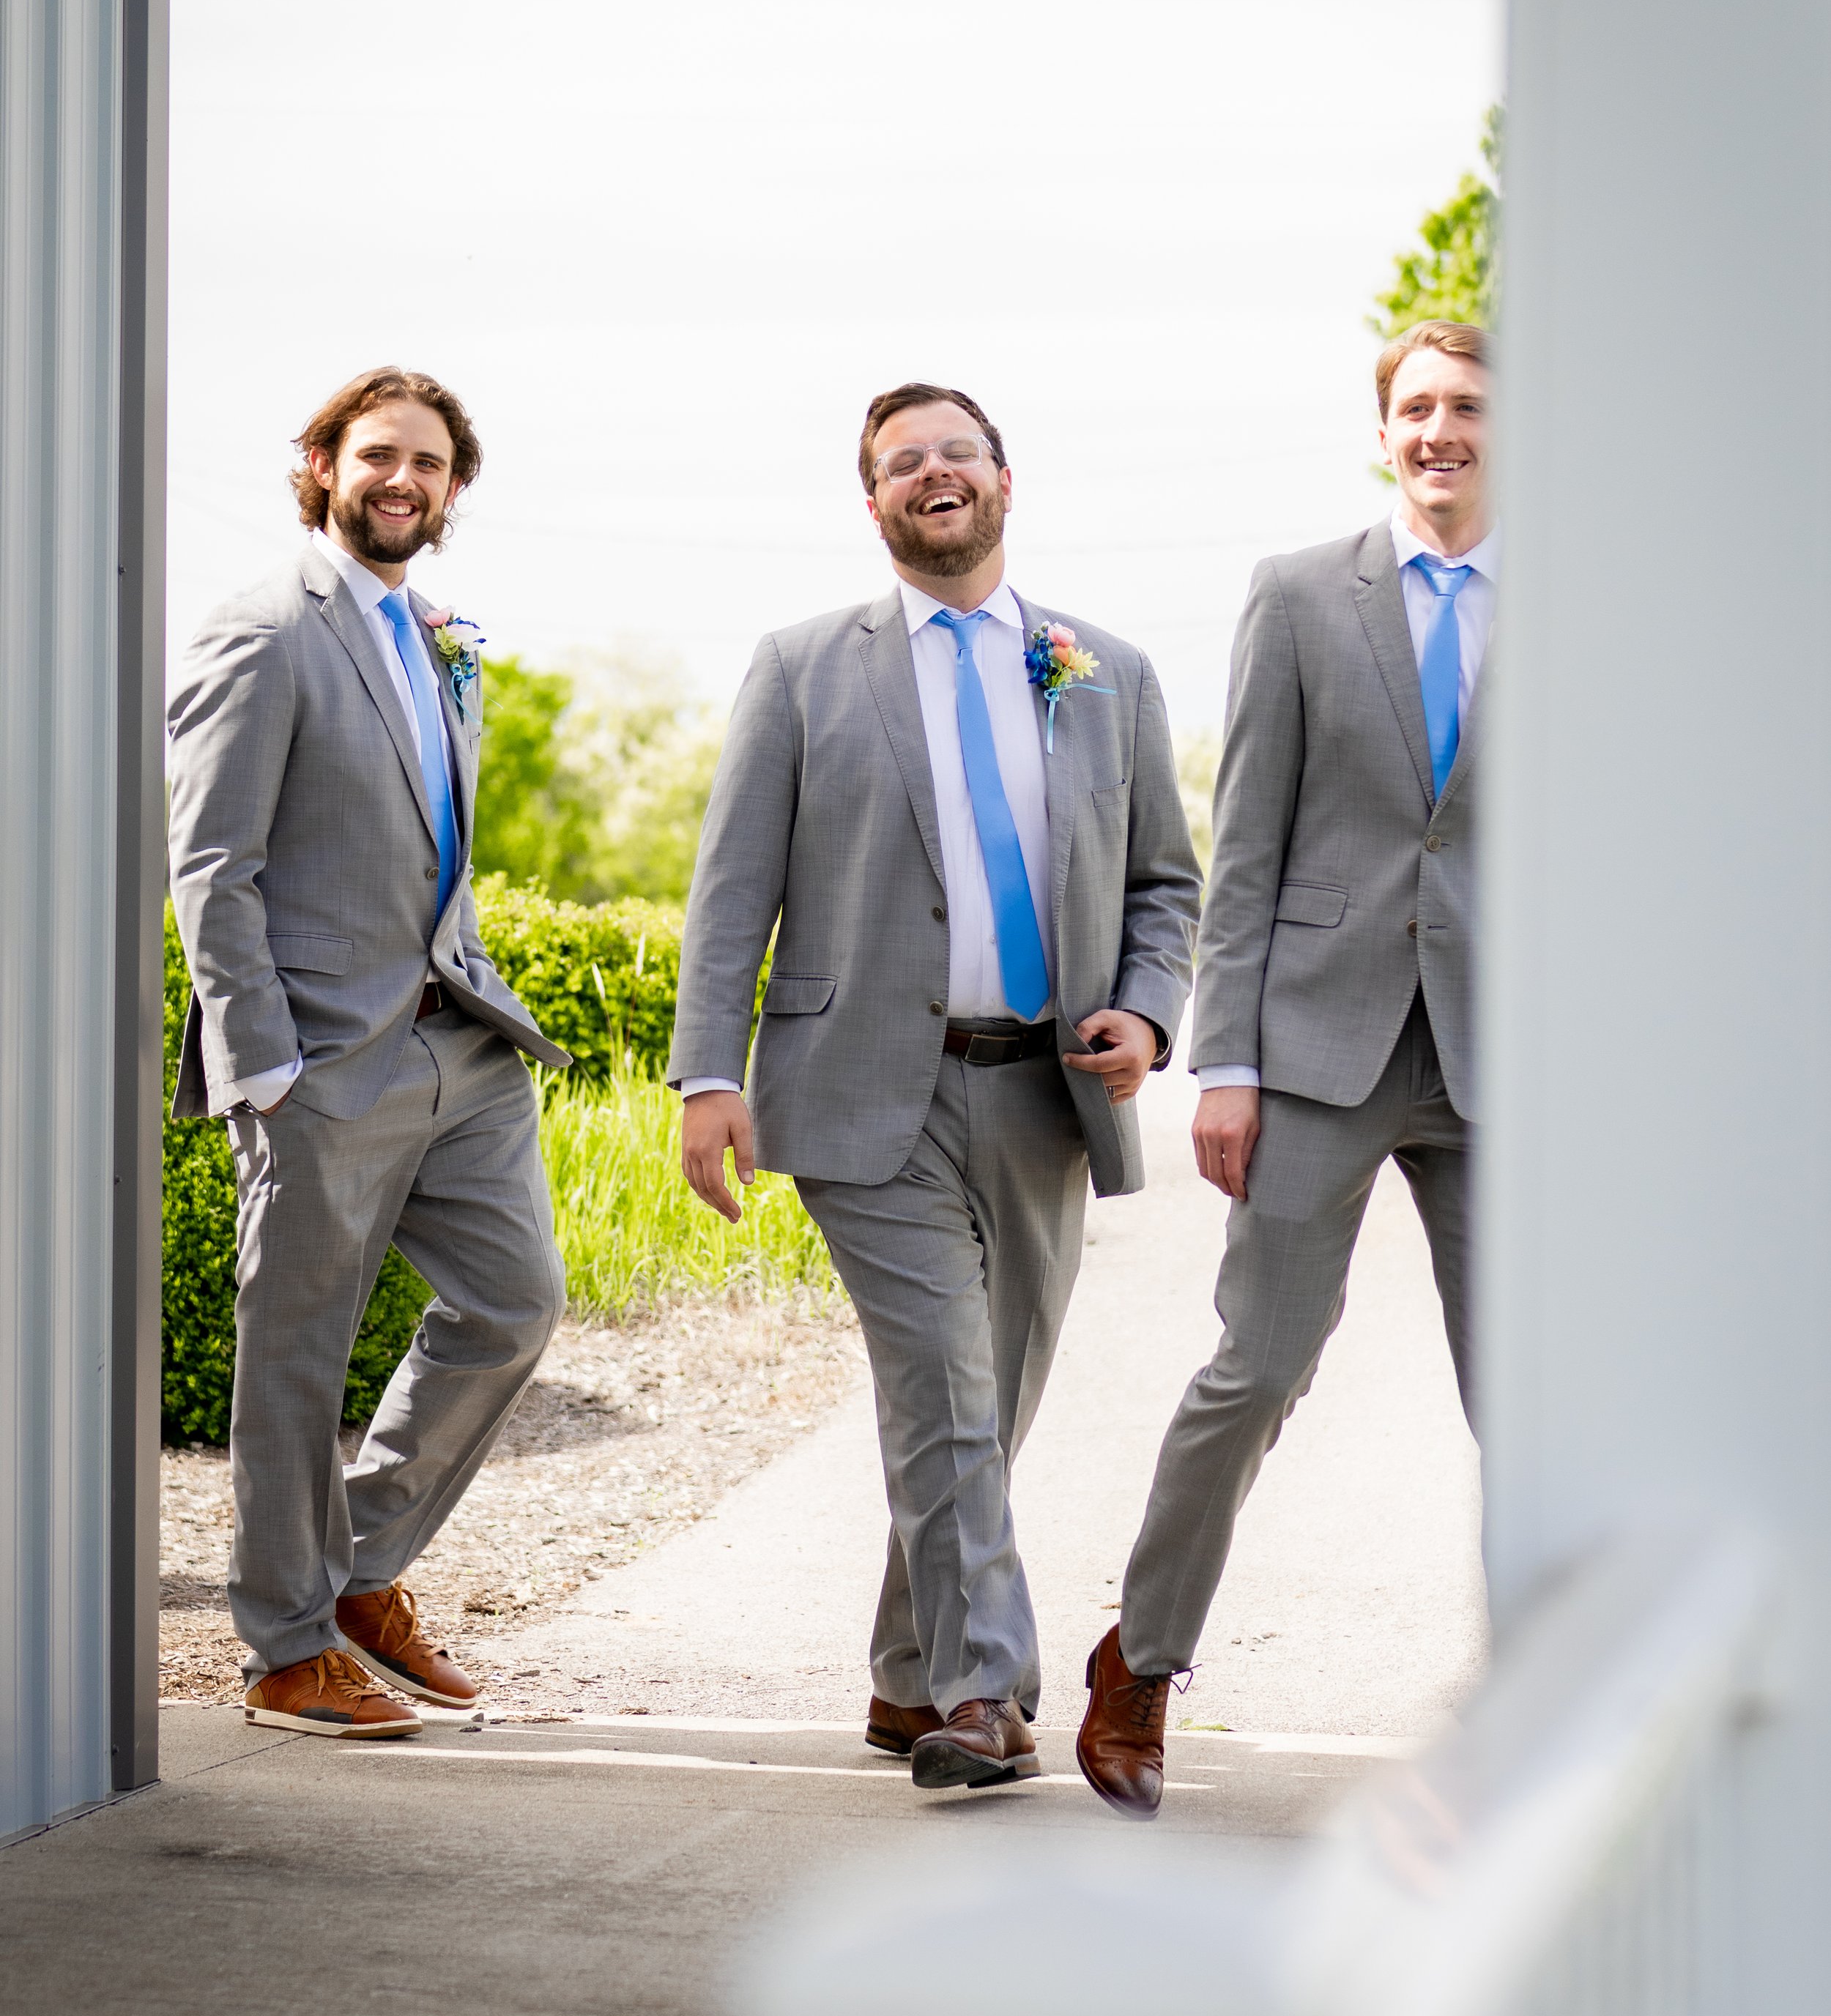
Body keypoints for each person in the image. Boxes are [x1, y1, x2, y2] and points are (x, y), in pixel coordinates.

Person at [669, 382, 1200, 1791]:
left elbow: (1165, 885)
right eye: (903, 462)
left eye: (958, 451)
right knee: (949, 1385)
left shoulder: (1107, 671)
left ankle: (908, 1677)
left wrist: (1149, 1011)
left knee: (985, 1402)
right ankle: (985, 1692)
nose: (933, 472)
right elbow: (732, 888)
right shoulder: (801, 668)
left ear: (1005, 483)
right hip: (859, 1091)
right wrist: (707, 1072)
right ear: (875, 505)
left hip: (1046, 1097)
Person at [1078, 319, 1494, 1817]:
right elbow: (1244, 840)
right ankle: (1140, 1659)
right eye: (1415, 406)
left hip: (1504, 1060)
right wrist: (1229, 1058)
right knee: (1256, 1367)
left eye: (1467, 406)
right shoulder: (1302, 594)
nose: (1439, 430)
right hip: (1318, 1045)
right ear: (1382, 431)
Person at [166, 366, 571, 1737]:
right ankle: (286, 1649)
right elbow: (212, 863)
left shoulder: (437, 637)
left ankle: (357, 1566)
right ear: (325, 465)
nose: (404, 480)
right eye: (379, 454)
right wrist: (265, 1061)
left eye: (431, 463)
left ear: (454, 489)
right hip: (324, 1061)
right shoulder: (265, 627)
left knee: (515, 1301)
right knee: (299, 1350)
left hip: (461, 1045)